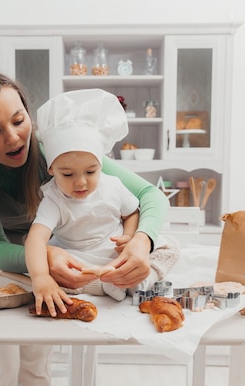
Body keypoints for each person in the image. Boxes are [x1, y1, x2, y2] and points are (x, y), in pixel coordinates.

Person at [0, 71, 174, 386]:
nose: (13, 139)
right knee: (4, 367)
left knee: (37, 364)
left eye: (19, 120)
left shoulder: (59, 151)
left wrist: (141, 241)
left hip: (43, 262)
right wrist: (45, 258)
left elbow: (149, 195)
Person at [26, 89, 160, 308]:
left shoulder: (113, 185)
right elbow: (35, 239)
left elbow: (131, 213)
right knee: (56, 269)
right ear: (51, 169)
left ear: (101, 164)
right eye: (68, 174)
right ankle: (103, 283)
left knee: (167, 248)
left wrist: (128, 238)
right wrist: (40, 277)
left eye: (90, 172)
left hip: (112, 253)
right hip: (79, 257)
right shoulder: (53, 198)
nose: (80, 182)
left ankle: (117, 279)